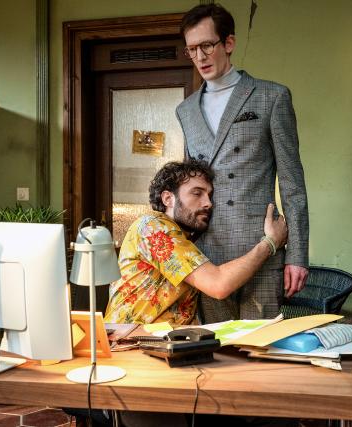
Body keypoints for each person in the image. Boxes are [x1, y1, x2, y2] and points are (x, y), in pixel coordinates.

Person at [176, 3, 309, 323]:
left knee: (260, 346)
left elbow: (292, 183)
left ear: (229, 43)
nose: (200, 57)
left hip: (262, 247)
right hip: (208, 255)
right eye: (192, 49)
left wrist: (298, 255)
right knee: (215, 346)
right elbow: (189, 184)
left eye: (207, 45)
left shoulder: (271, 97)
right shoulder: (186, 110)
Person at [104, 159, 287, 325]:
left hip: (164, 341)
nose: (208, 203)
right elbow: (218, 284)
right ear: (168, 198)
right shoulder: (153, 227)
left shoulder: (187, 240)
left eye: (209, 195)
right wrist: (271, 242)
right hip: (126, 341)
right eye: (197, 193)